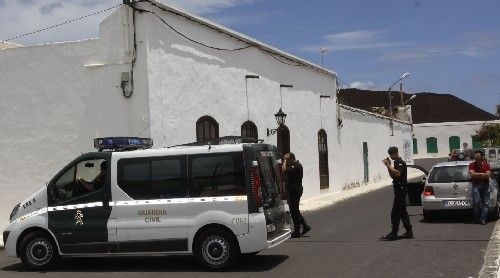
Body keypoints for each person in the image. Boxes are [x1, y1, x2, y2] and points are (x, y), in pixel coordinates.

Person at [380, 147, 413, 241]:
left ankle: (394, 233)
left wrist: (388, 165)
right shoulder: (395, 163)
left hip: (401, 191)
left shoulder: (399, 162)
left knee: (395, 212)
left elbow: (398, 173)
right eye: (389, 154)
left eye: (391, 154)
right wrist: (388, 166)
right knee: (402, 212)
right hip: (399, 190)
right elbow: (392, 175)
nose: (390, 156)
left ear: (395, 153)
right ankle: (409, 232)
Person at [282, 152, 311, 238]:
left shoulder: (296, 166)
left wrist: (284, 162)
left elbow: (284, 170)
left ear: (291, 159)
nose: (286, 162)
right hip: (294, 191)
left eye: (287, 160)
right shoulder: (294, 166)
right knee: (294, 210)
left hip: (295, 191)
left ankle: (299, 229)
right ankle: (304, 227)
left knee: (294, 210)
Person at [469, 150, 491, 225]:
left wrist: (477, 174)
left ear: (482, 157)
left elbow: (488, 175)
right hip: (476, 185)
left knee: (486, 203)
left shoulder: (487, 165)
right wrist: (482, 174)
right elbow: (472, 174)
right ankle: (476, 218)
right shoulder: (472, 164)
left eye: (478, 156)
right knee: (477, 202)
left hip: (485, 185)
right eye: (475, 156)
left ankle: (482, 219)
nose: (476, 157)